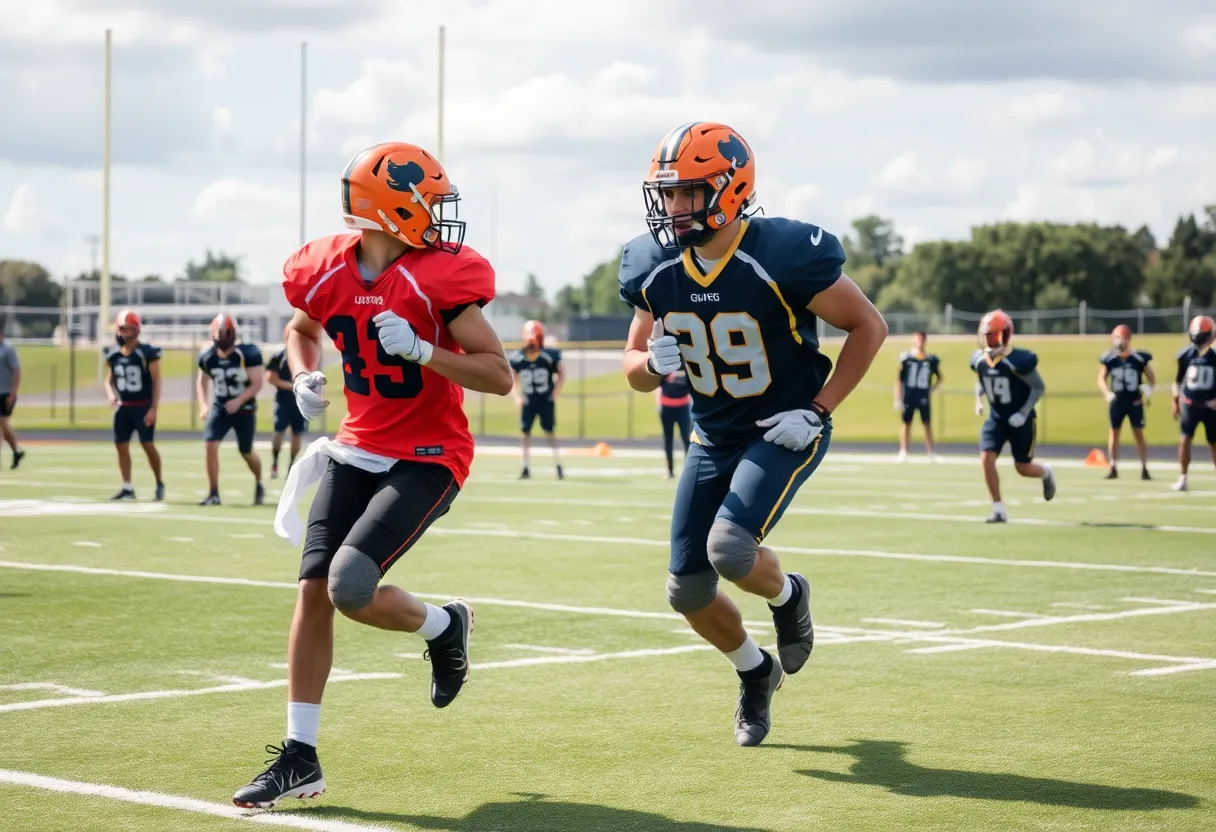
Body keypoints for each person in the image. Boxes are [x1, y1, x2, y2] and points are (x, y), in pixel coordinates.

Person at [234, 141, 512, 809]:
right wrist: (303, 371)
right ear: (392, 208)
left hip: (429, 453)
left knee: (351, 585)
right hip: (359, 446)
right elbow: (303, 330)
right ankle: (300, 755)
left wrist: (425, 351)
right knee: (312, 591)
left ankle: (443, 627)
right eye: (429, 200)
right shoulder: (327, 269)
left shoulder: (436, 280)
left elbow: (498, 375)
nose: (440, 214)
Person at [618, 122, 887, 747]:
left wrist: (819, 409)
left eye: (690, 193)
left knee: (730, 551)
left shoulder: (785, 253)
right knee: (686, 591)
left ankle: (790, 594)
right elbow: (632, 368)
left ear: (731, 189)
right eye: (670, 194)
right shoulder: (653, 265)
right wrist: (651, 366)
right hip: (712, 435)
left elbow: (867, 326)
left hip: (784, 426)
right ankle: (754, 670)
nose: (676, 209)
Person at [971, 310, 1056, 522]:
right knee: (986, 458)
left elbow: (1038, 387)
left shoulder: (1018, 360)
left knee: (1023, 468)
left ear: (1004, 335)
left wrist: (1023, 412)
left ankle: (1046, 472)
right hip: (997, 418)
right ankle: (998, 508)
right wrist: (978, 400)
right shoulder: (981, 360)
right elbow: (983, 380)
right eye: (986, 335)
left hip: (1021, 419)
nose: (988, 339)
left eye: (992, 335)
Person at [196, 313, 265, 506]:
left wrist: (239, 400)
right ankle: (213, 493)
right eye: (222, 333)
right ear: (213, 335)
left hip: (245, 409)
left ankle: (259, 481)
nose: (225, 337)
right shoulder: (207, 356)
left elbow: (258, 383)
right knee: (210, 444)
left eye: (229, 333)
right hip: (220, 407)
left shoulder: (247, 353)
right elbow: (201, 381)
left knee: (246, 450)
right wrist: (203, 405)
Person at [104, 309, 165, 500]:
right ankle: (127, 487)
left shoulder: (146, 353)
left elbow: (156, 382)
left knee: (147, 444)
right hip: (123, 407)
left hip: (142, 405)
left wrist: (154, 408)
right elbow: (109, 379)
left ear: (136, 330)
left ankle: (159, 482)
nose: (124, 333)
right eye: (122, 329)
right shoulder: (113, 354)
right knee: (121, 445)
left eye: (128, 329)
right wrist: (110, 394)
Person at [508, 319, 564, 480]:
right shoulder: (518, 358)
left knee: (549, 432)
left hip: (545, 399)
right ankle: (525, 466)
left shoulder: (548, 356)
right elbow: (513, 379)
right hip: (528, 400)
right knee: (525, 433)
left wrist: (554, 392)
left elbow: (561, 373)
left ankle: (558, 464)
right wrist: (517, 397)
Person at [1097, 324, 1154, 480]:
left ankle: (1144, 467)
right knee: (1114, 433)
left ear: (1129, 339)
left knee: (1138, 433)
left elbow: (1151, 379)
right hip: (1117, 400)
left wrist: (1148, 390)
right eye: (1117, 338)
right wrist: (1107, 393)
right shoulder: (1109, 358)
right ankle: (1113, 466)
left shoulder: (1139, 358)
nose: (1119, 341)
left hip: (1134, 400)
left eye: (1122, 338)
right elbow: (1101, 378)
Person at [1171, 315, 1216, 492]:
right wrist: (1175, 400)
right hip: (1190, 403)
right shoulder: (1185, 355)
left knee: (1214, 443)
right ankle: (1183, 478)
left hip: (1211, 405)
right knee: (1185, 439)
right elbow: (1178, 380)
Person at [265, 332, 309, 479]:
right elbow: (271, 377)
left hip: (299, 400)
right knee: (279, 431)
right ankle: (275, 463)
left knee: (297, 433)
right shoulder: (279, 354)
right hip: (283, 400)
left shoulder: (305, 353)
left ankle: (291, 464)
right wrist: (292, 386)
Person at [894, 331, 941, 462]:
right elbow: (899, 379)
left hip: (923, 395)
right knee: (906, 423)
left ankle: (931, 453)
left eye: (923, 339)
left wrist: (931, 390)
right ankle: (903, 451)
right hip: (909, 394)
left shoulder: (931, 359)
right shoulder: (906, 358)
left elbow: (939, 378)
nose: (920, 341)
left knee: (927, 423)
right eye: (918, 339)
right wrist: (898, 398)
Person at [656, 368, 691, 478]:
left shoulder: (686, 364)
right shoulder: (666, 365)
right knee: (668, 439)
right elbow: (657, 384)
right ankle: (669, 469)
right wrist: (658, 404)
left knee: (687, 438)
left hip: (683, 407)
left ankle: (689, 469)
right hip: (666, 407)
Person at [0, 322, 23, 469]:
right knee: (3, 425)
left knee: (1, 423)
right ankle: (16, 451)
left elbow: (16, 371)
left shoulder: (8, 349)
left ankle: (15, 451)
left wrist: (13, 393)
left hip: (5, 393)